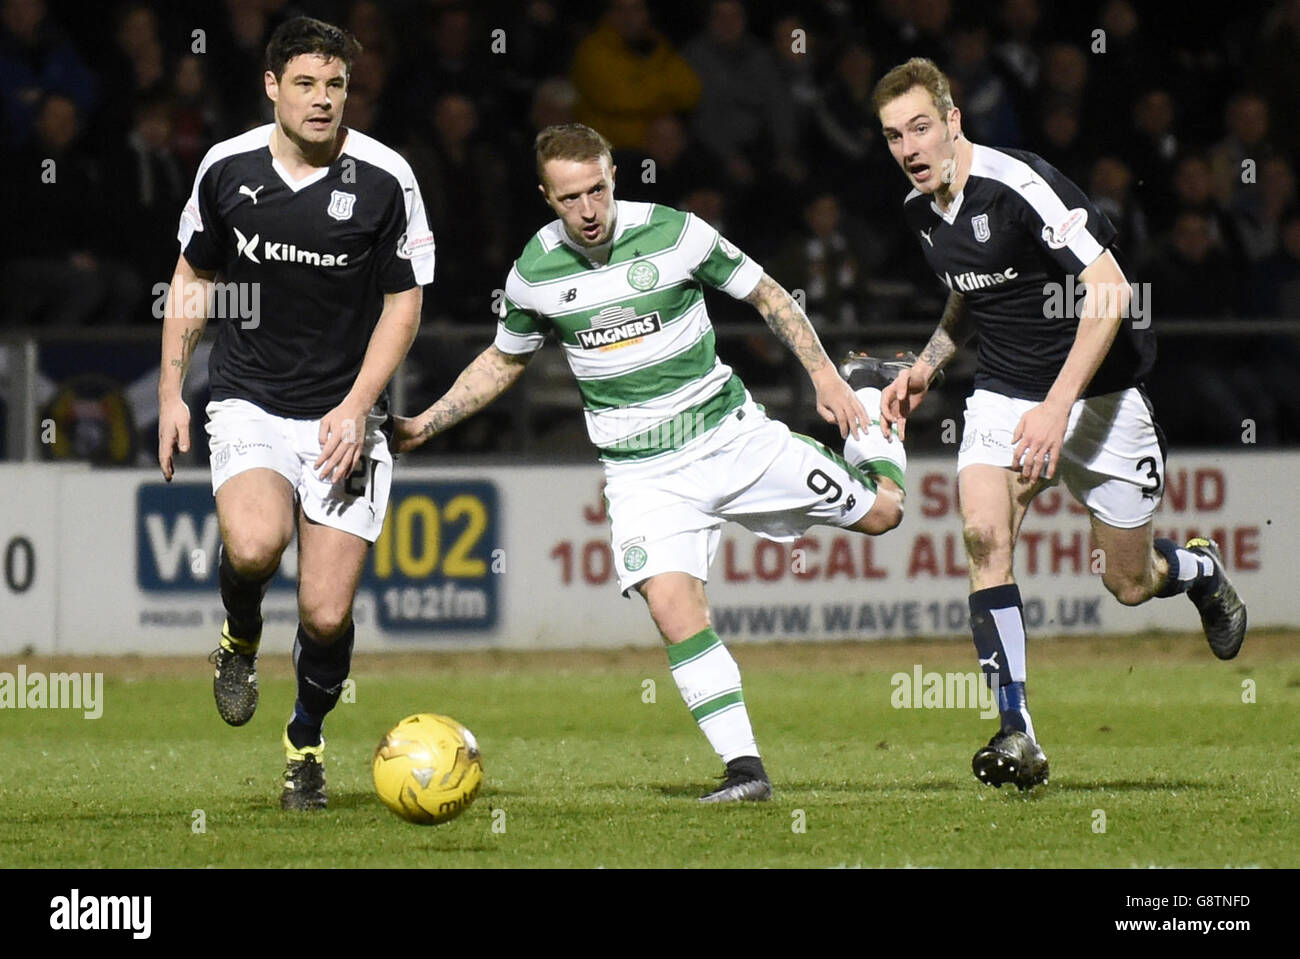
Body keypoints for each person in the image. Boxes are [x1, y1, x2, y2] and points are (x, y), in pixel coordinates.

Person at [391, 123, 907, 802]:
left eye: (598, 189)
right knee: (672, 605)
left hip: (731, 439)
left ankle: (873, 391)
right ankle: (745, 769)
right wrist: (426, 421)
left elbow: (769, 294)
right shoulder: (533, 274)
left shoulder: (676, 232)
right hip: (642, 473)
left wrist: (829, 380)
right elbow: (503, 360)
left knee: (883, 514)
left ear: (613, 178)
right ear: (547, 196)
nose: (589, 209)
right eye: (571, 196)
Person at [870, 58, 1247, 791]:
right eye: (892, 136)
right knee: (983, 534)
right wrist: (926, 365)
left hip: (1098, 397)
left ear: (953, 121)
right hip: (1006, 392)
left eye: (921, 127)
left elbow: (1110, 293)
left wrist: (1059, 404)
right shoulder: (919, 210)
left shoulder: (1020, 184)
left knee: (1130, 583)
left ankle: (1198, 570)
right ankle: (1019, 734)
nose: (909, 148)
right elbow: (971, 295)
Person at [156, 16, 434, 810]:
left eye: (336, 84)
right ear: (272, 86)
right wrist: (173, 389)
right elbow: (192, 280)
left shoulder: (385, 178)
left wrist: (356, 407)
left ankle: (305, 741)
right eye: (306, 83)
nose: (322, 100)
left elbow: (403, 306)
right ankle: (239, 634)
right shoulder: (226, 168)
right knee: (252, 545)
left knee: (324, 610)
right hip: (248, 397)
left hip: (344, 415)